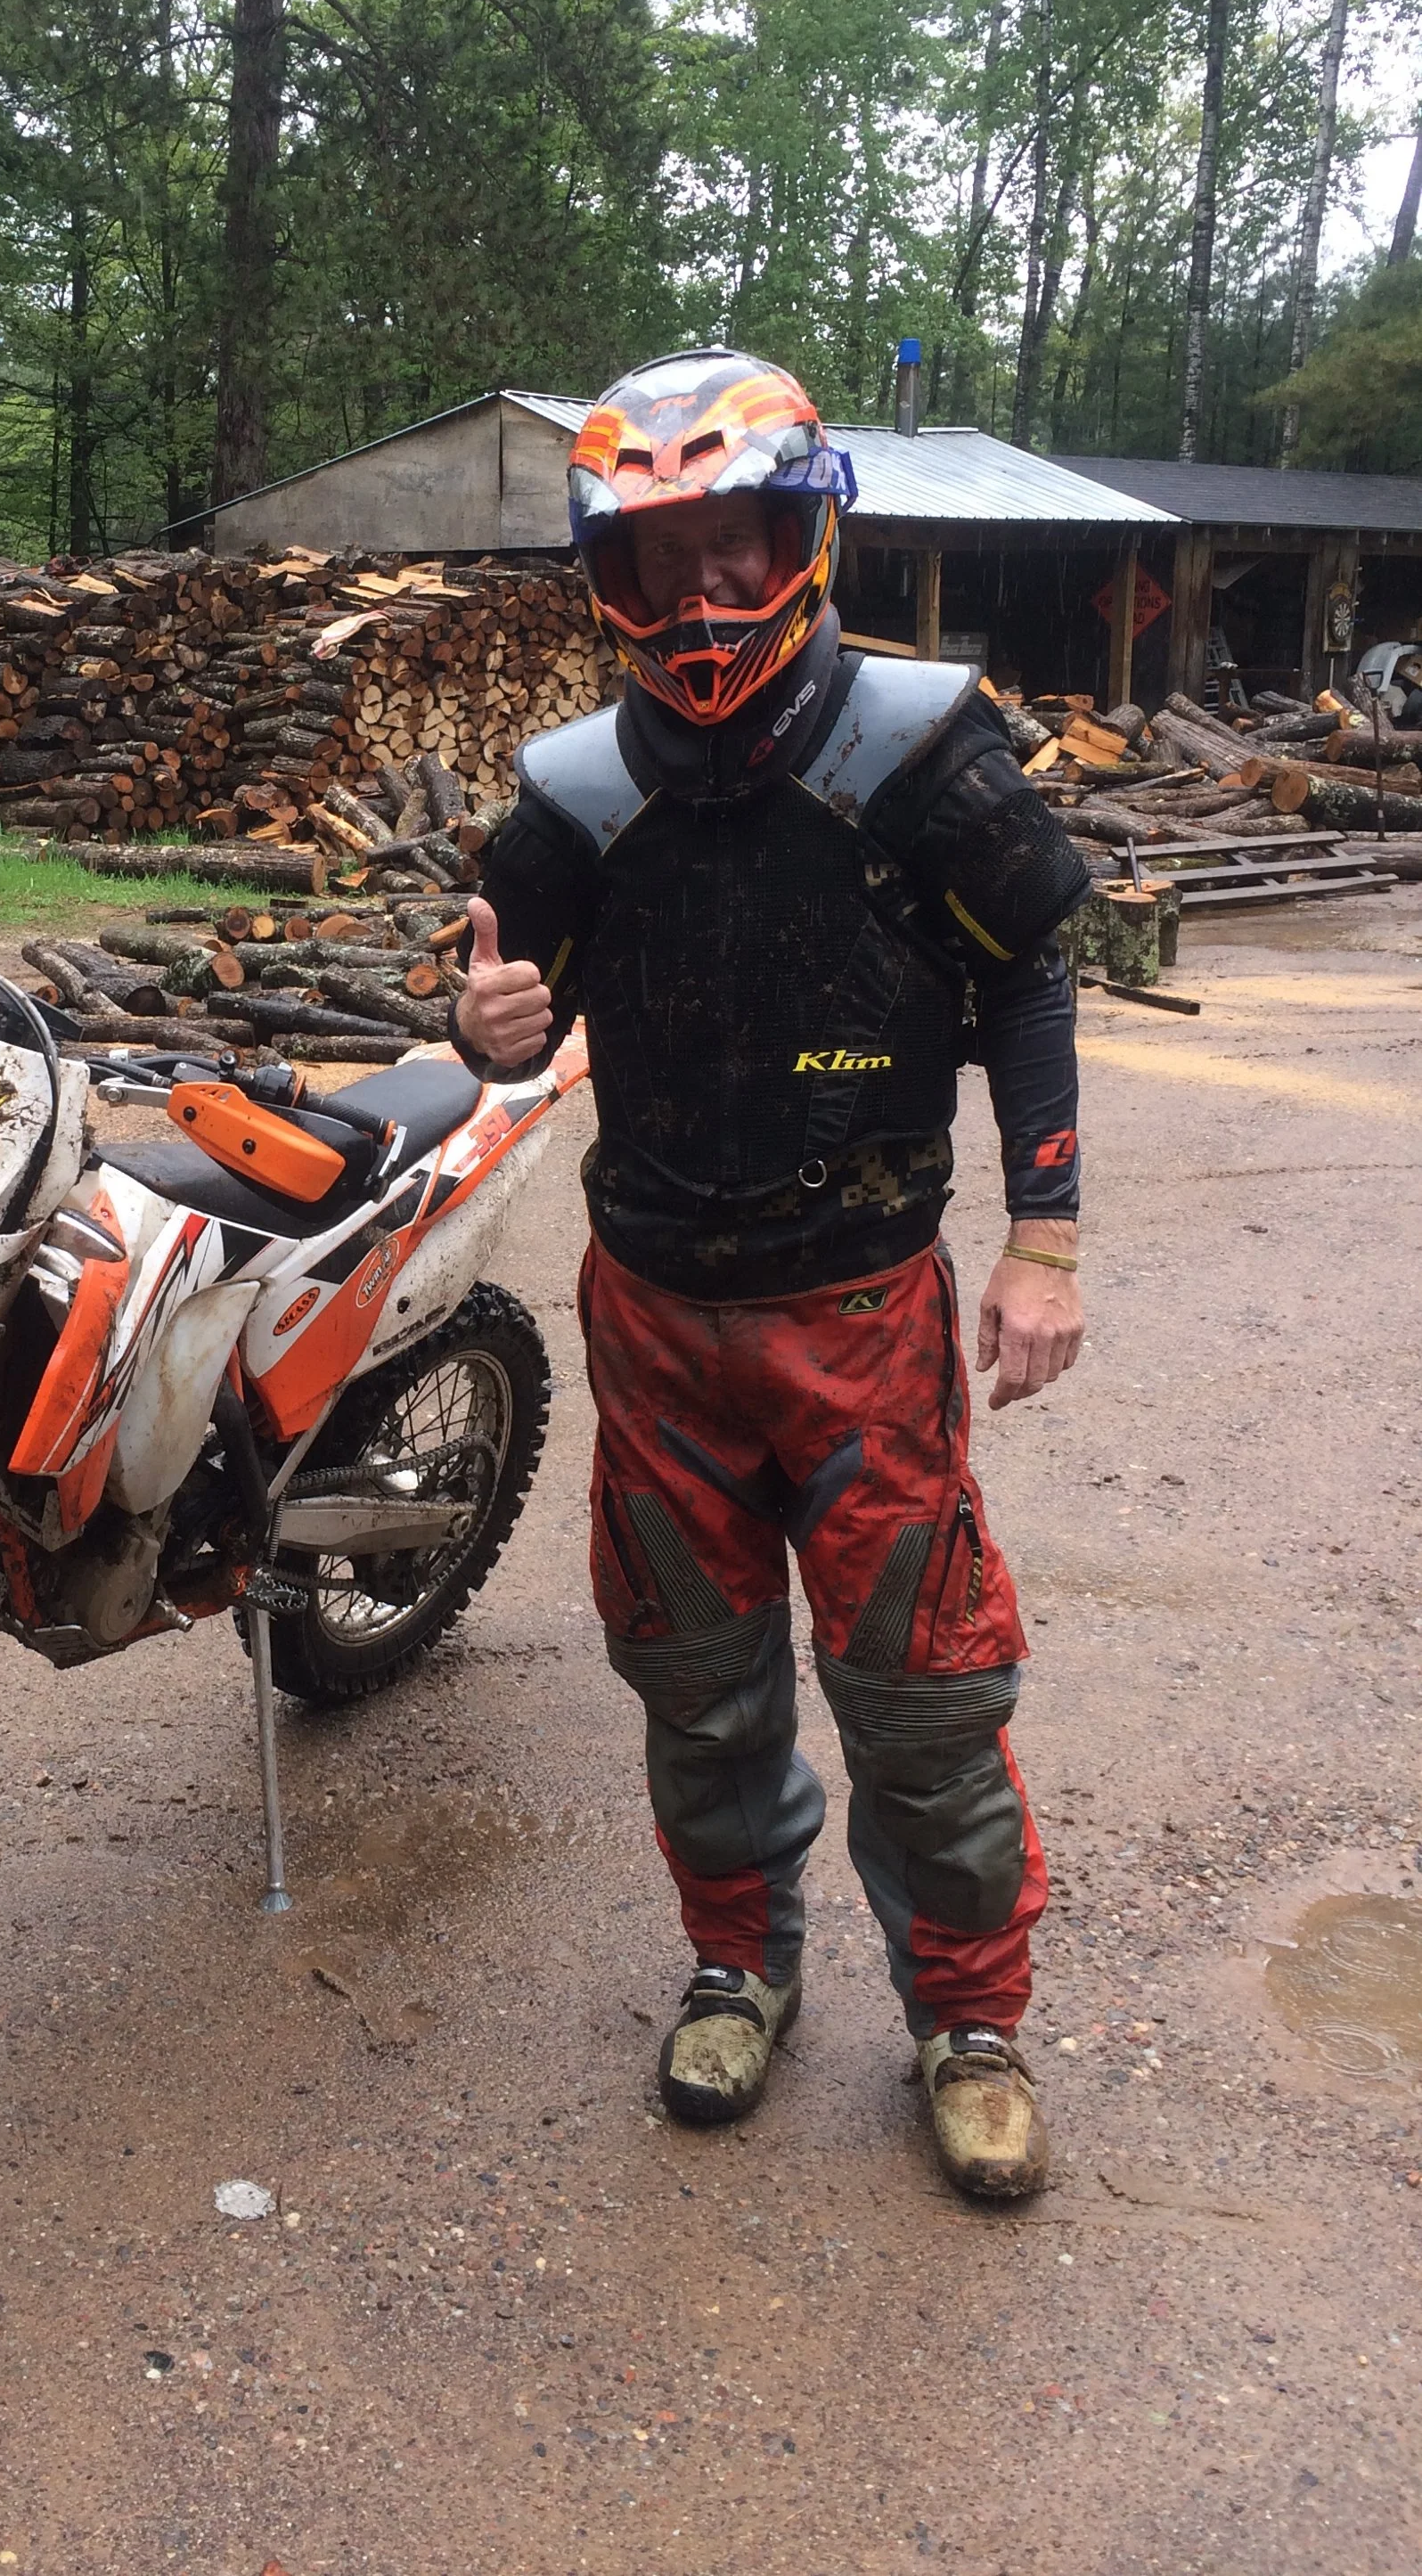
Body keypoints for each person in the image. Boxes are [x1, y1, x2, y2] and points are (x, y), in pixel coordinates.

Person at [453, 348, 1090, 2200]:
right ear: (612, 581)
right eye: (661, 563)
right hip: (652, 1311)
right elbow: (503, 994)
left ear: (804, 538)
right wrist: (479, 1018)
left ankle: (966, 2016)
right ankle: (738, 1963)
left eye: (736, 550)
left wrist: (1039, 1239)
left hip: (858, 1308)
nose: (705, 595)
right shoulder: (570, 790)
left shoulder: (911, 747)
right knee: (693, 1673)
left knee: (916, 1685)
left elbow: (1028, 973)